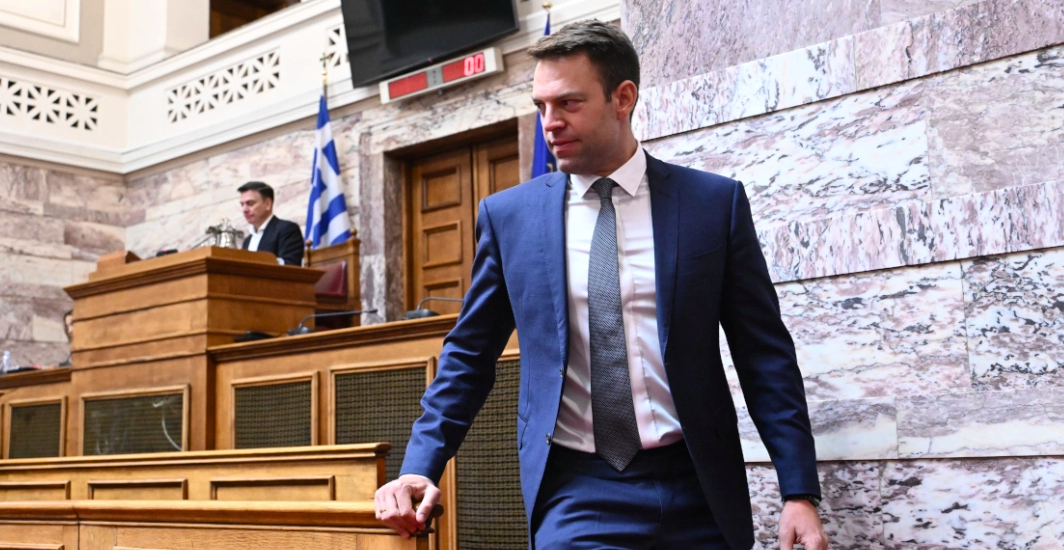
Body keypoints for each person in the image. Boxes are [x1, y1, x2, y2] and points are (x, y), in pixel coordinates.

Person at [376, 20, 828, 550]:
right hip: (577, 492)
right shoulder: (510, 218)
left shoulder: (712, 205)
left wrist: (798, 491)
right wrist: (421, 463)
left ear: (623, 98)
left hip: (699, 486)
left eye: (568, 103)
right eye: (541, 106)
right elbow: (469, 356)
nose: (550, 123)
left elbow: (764, 354)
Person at [238, 181, 304, 266]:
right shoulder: (247, 241)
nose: (244, 210)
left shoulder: (287, 229)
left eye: (250, 203)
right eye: (242, 204)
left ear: (268, 204)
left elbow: (291, 265)